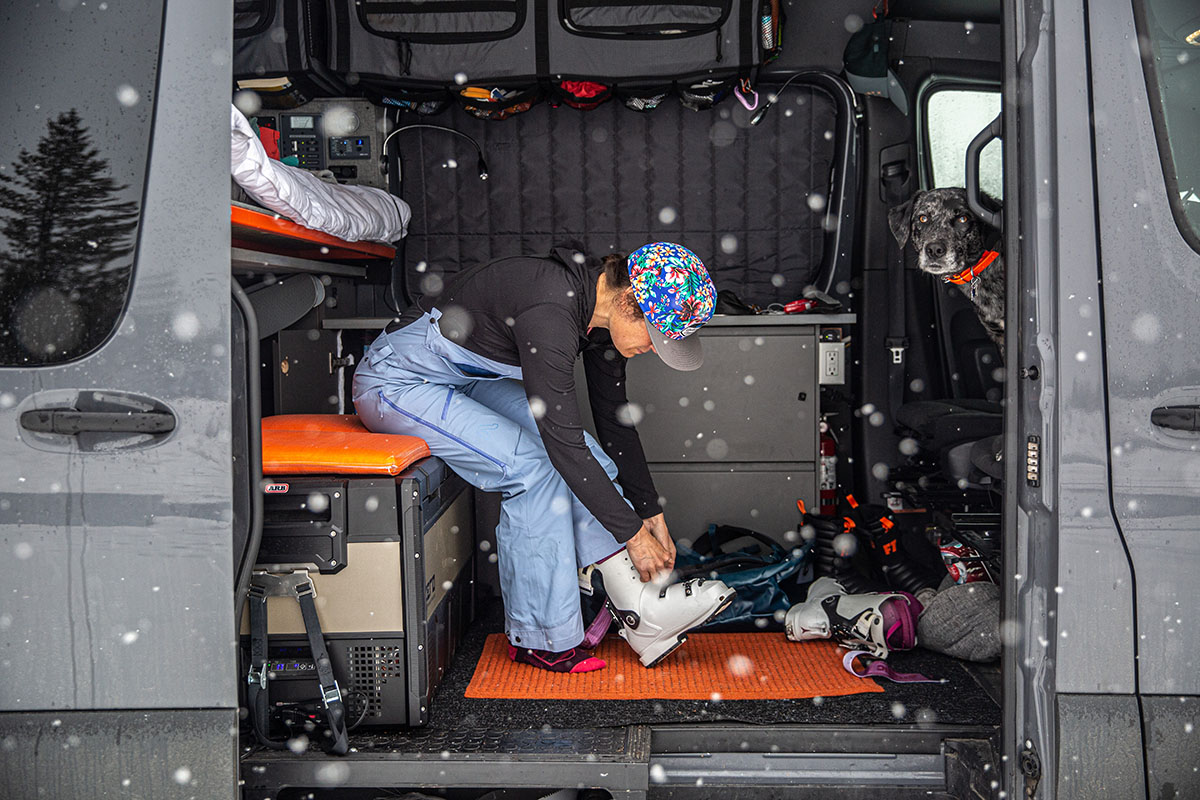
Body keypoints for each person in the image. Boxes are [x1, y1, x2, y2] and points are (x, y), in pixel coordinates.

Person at [352, 242, 734, 673]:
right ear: (630, 301)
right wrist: (633, 537)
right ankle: (539, 638)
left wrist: (649, 511)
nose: (655, 350)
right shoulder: (551, 310)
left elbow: (613, 421)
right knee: (533, 470)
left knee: (591, 458)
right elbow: (561, 445)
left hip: (464, 380)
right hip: (397, 380)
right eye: (656, 337)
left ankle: (639, 610)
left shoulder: (599, 319)